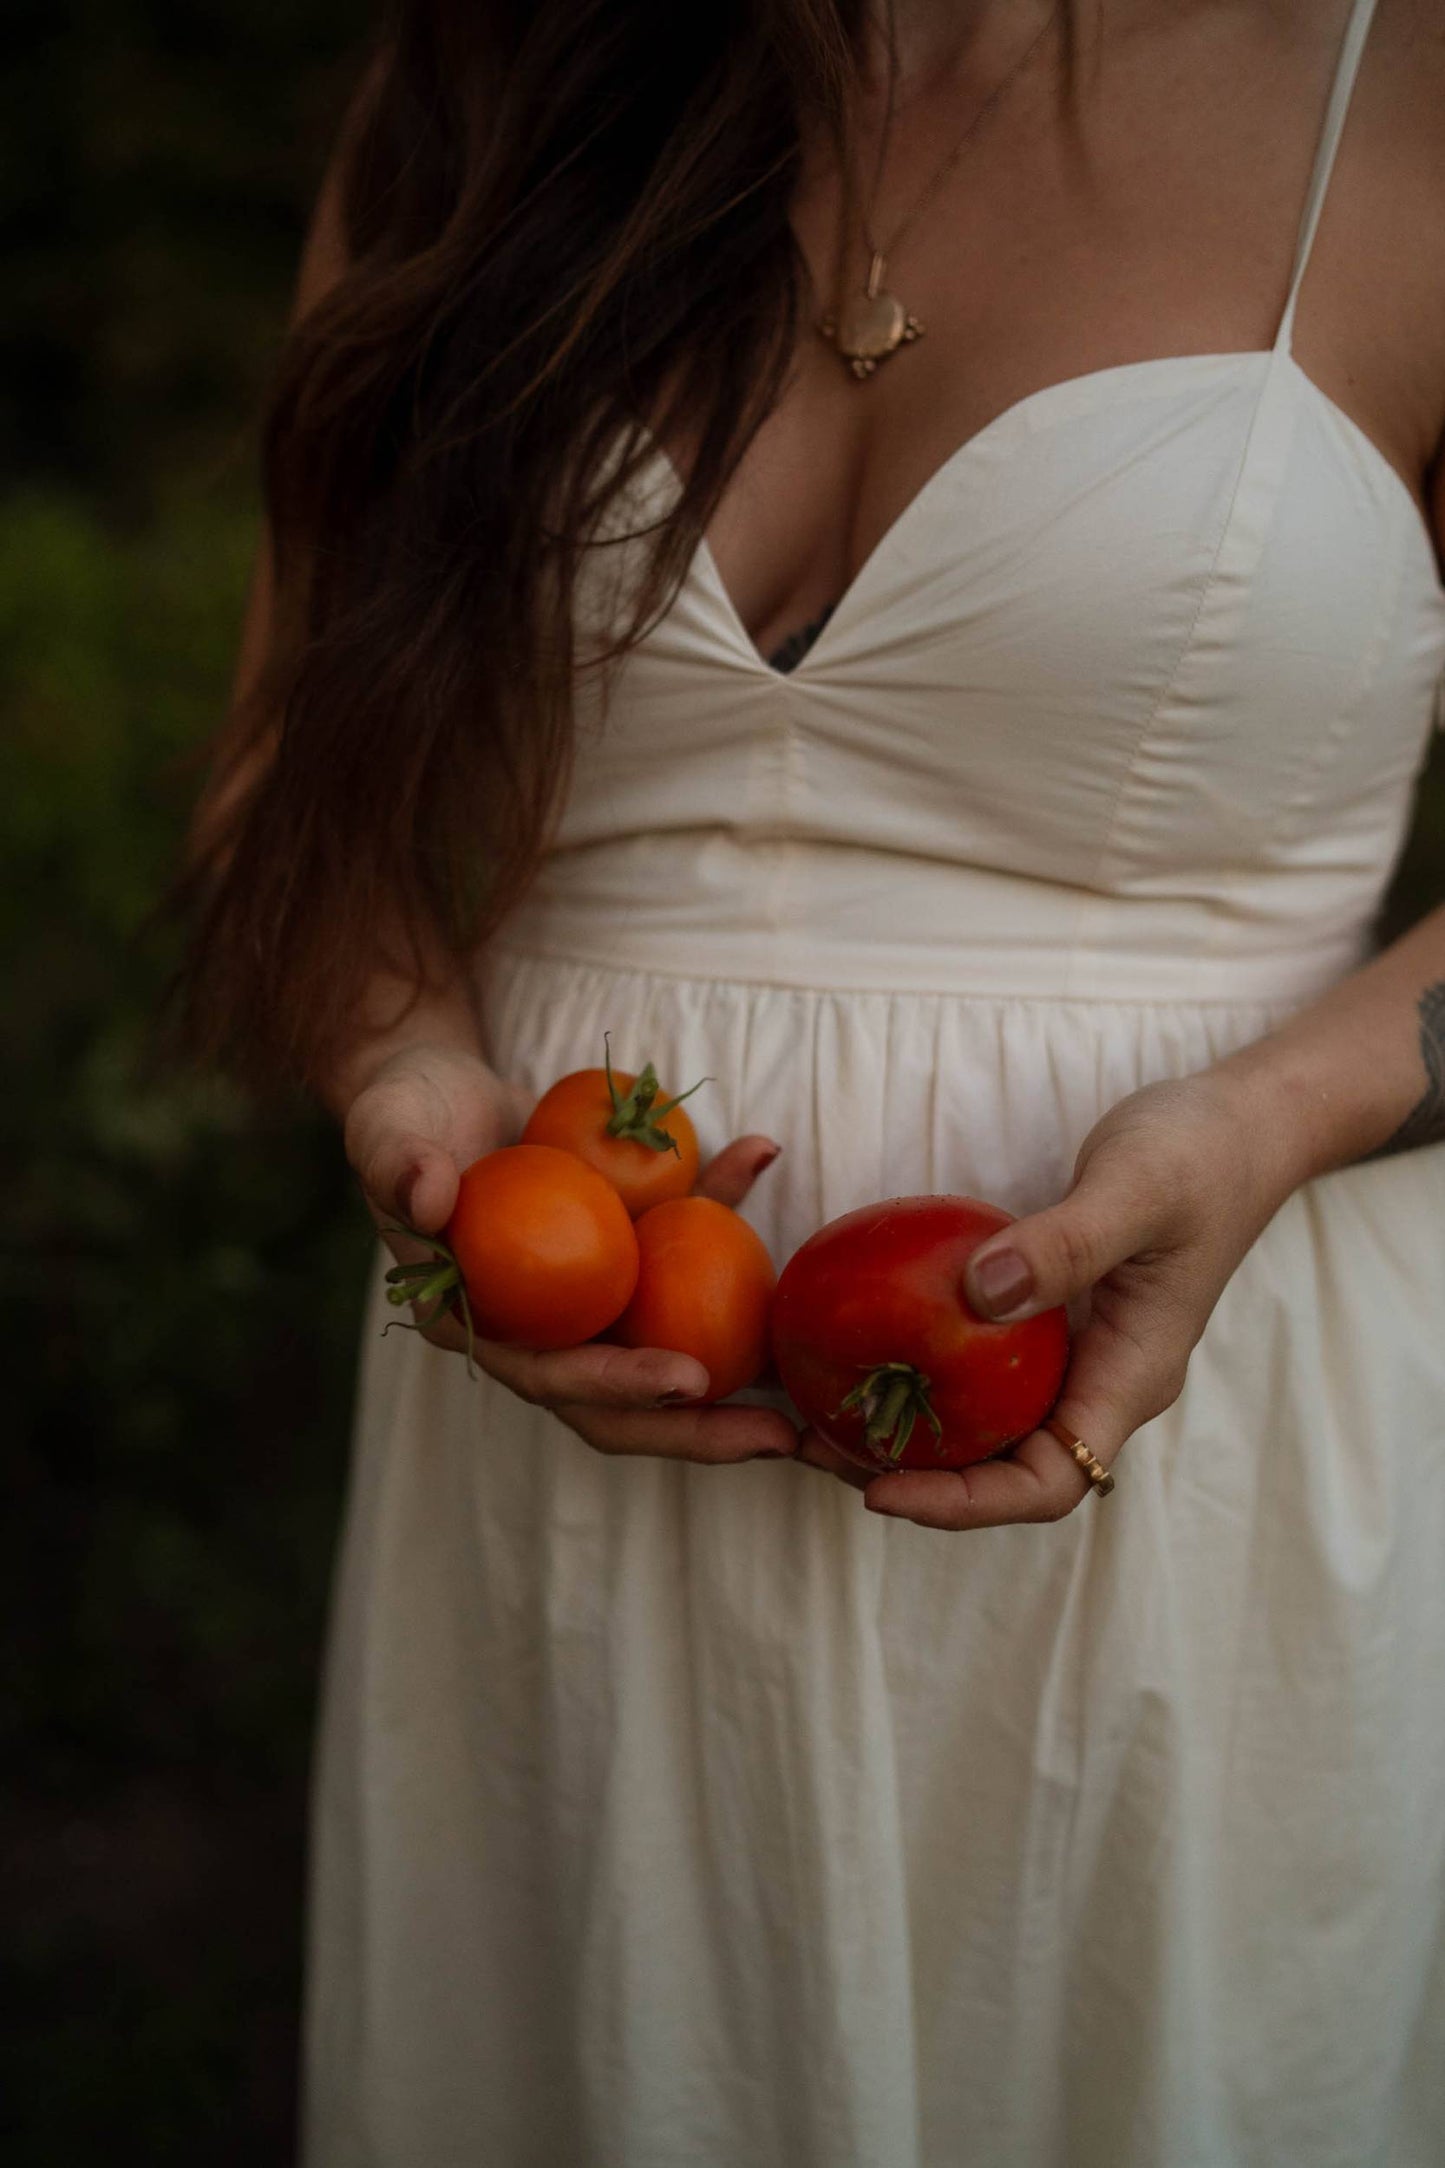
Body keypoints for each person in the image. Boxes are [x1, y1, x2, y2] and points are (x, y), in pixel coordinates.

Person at [167, 0, 1445, 2160]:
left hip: (1194, 1447)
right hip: (560, 1444)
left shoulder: (1407, 92)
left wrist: (1264, 1119)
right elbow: (289, 764)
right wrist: (403, 1061)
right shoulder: (497, 66)